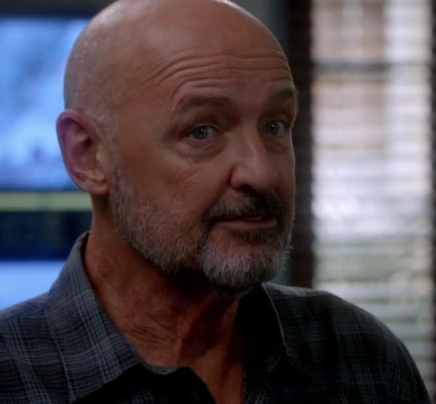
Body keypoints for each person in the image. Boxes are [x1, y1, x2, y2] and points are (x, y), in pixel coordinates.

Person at [0, 0, 431, 402]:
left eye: (275, 126)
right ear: (88, 155)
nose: (261, 173)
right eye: (202, 131)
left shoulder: (358, 357)